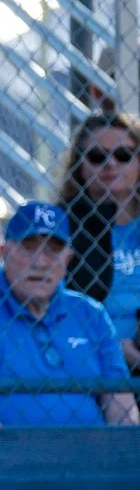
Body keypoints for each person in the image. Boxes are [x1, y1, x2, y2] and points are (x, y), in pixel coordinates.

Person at [0, 201, 138, 427]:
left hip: (90, 458)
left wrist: (119, 456)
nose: (40, 262)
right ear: (4, 252)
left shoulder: (91, 314)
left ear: (68, 258)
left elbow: (122, 405)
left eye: (53, 249)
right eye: (28, 247)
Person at [59, 112, 140, 374]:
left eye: (123, 155)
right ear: (80, 166)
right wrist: (114, 346)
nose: (110, 165)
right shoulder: (62, 225)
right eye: (97, 156)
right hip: (86, 356)